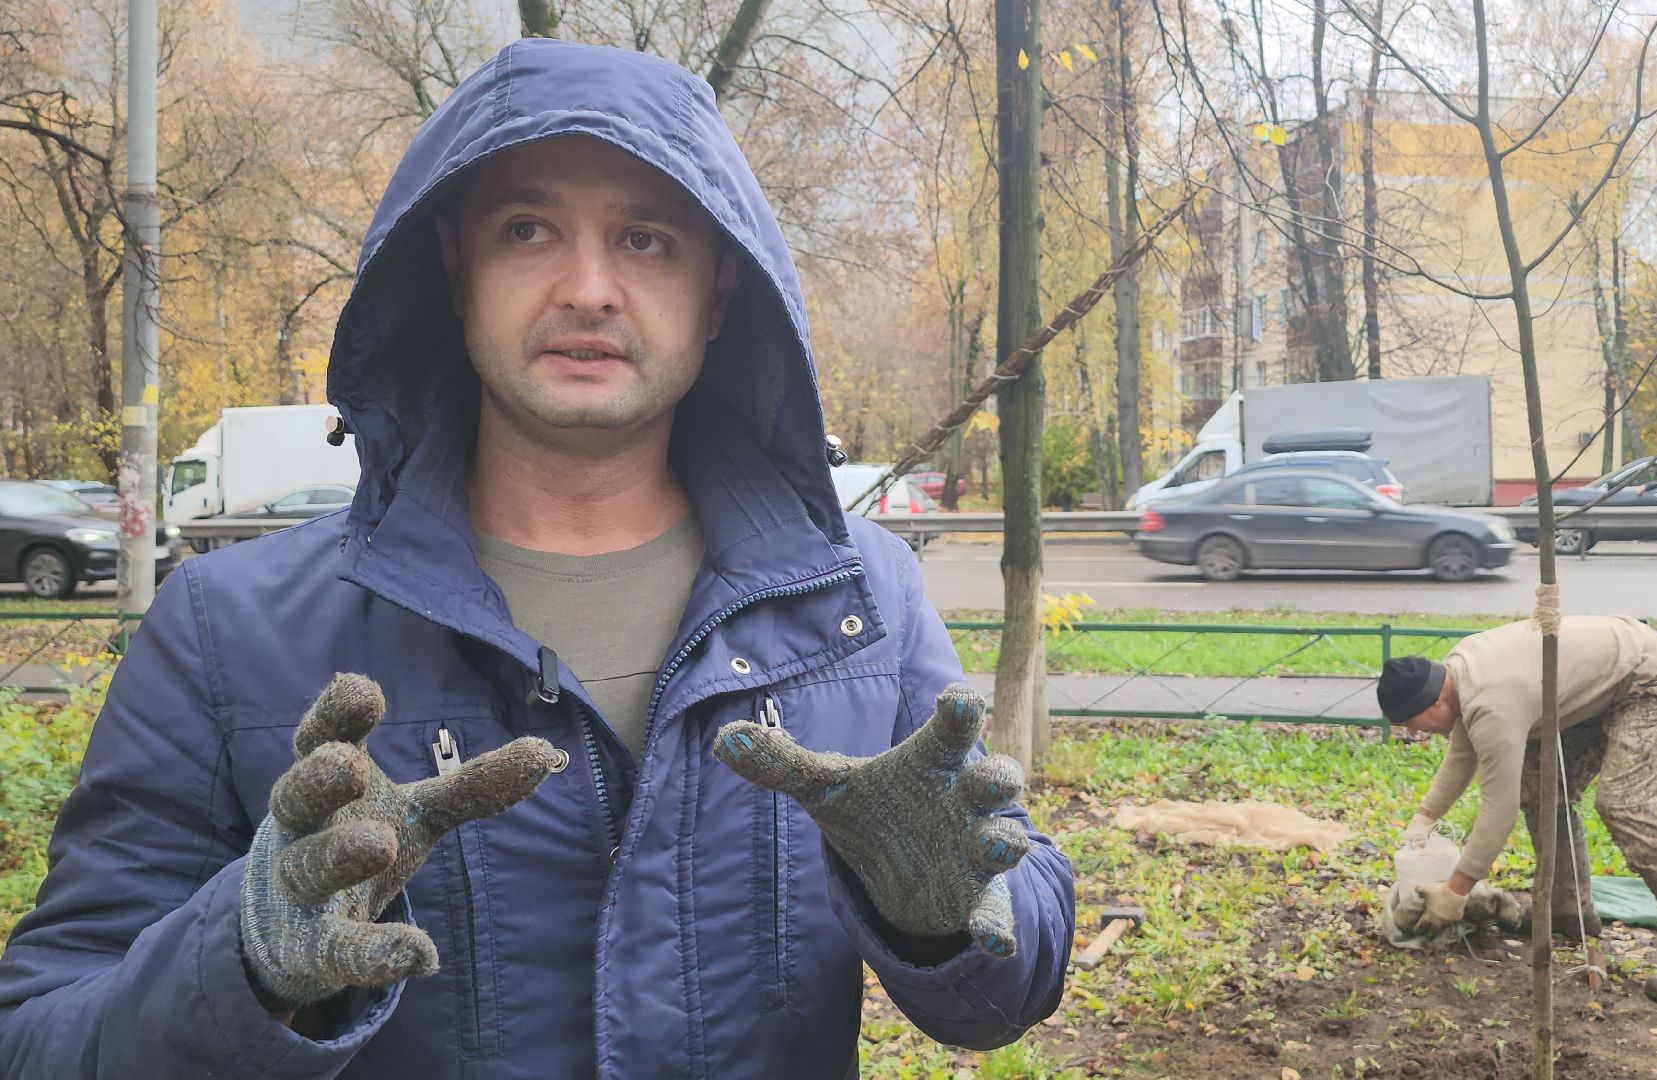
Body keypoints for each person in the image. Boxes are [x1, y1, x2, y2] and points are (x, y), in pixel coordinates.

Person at [0, 40, 1073, 1078]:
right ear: (456, 266)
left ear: (721, 291)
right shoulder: (226, 631)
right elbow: (42, 1036)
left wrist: (953, 916)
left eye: (646, 238)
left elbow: (1004, 992)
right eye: (528, 229)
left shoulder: (861, 602)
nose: (590, 289)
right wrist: (244, 961)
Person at [1375, 615, 1657, 1005]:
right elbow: (1462, 752)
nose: (1412, 733)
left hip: (1653, 677)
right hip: (1600, 687)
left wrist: (1456, 891)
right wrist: (1425, 816)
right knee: (1541, 790)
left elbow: (1497, 812)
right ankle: (1567, 911)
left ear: (1435, 701)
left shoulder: (1490, 702)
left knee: (1625, 804)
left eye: (1411, 723)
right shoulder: (1457, 676)